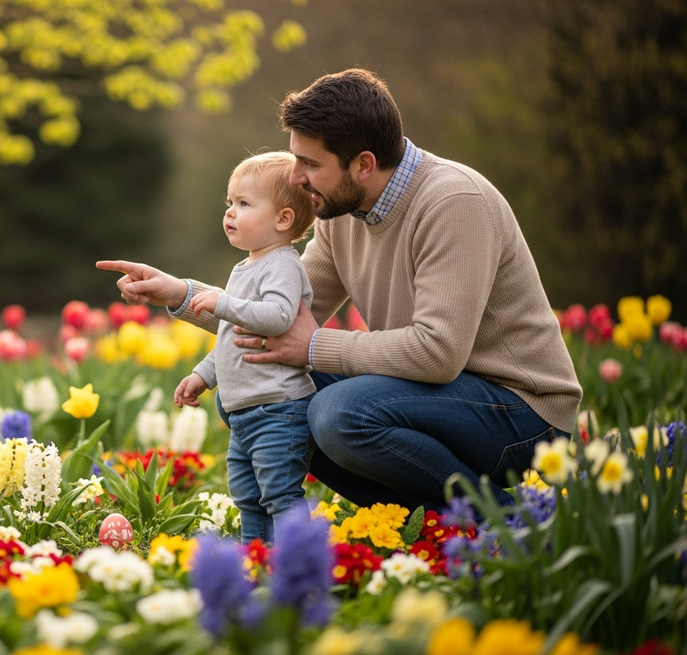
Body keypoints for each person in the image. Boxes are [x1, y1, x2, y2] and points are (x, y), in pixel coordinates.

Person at [98, 68, 582, 511]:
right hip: (433, 396)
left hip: (522, 414)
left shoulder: (453, 202)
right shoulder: (340, 213)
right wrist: (180, 294)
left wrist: (313, 347)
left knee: (340, 414)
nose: (295, 177)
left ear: (363, 164)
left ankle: (503, 522)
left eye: (309, 163)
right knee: (252, 392)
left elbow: (438, 352)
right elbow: (278, 313)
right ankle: (420, 524)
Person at [174, 151, 317, 543]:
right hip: (246, 412)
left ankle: (299, 558)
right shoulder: (246, 267)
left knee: (280, 494)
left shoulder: (283, 264)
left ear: (282, 219)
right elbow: (233, 338)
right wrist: (203, 375)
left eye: (244, 204)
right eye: (229, 202)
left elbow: (279, 318)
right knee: (248, 497)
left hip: (279, 408)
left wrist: (223, 302)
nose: (230, 213)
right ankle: (256, 557)